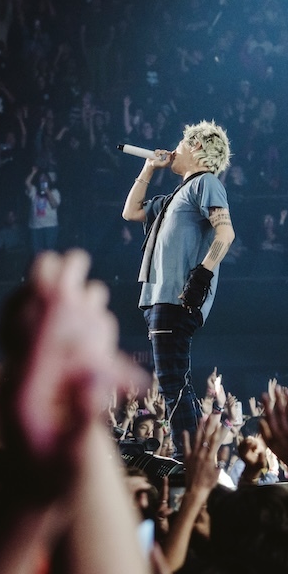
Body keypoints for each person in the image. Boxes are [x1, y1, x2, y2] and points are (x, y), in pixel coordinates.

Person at [120, 120, 235, 445]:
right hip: (160, 297)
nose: (175, 149)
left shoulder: (207, 183)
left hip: (178, 298)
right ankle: (193, 455)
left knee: (173, 383)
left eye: (182, 143)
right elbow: (131, 212)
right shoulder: (174, 196)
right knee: (172, 382)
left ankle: (192, 459)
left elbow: (226, 233)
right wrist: (148, 167)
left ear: (197, 147)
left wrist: (202, 274)